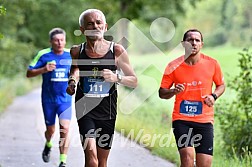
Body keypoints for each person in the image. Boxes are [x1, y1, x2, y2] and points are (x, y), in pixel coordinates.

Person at [66, 9, 137, 167]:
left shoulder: (116, 51)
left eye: (98, 23)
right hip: (84, 109)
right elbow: (76, 69)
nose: (95, 26)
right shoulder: (77, 51)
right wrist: (72, 81)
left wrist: (116, 77)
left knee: (102, 161)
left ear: (105, 27)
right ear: (83, 29)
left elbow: (134, 80)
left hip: (107, 111)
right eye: (90, 23)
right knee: (91, 158)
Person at [159, 29, 225, 167]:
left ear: (202, 44)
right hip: (182, 119)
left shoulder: (212, 64)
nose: (193, 43)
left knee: (205, 164)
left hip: (204, 120)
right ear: (183, 44)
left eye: (197, 40)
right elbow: (162, 93)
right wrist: (173, 91)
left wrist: (214, 96)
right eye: (190, 40)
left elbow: (221, 85)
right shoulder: (173, 66)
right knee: (188, 158)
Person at [26, 28, 72, 167]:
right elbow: (29, 73)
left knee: (65, 129)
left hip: (65, 99)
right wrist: (44, 69)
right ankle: (48, 143)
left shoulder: (71, 55)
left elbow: (79, 72)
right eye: (56, 40)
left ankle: (63, 161)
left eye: (62, 40)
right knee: (50, 130)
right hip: (48, 100)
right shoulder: (44, 54)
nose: (59, 43)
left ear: (65, 41)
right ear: (51, 41)